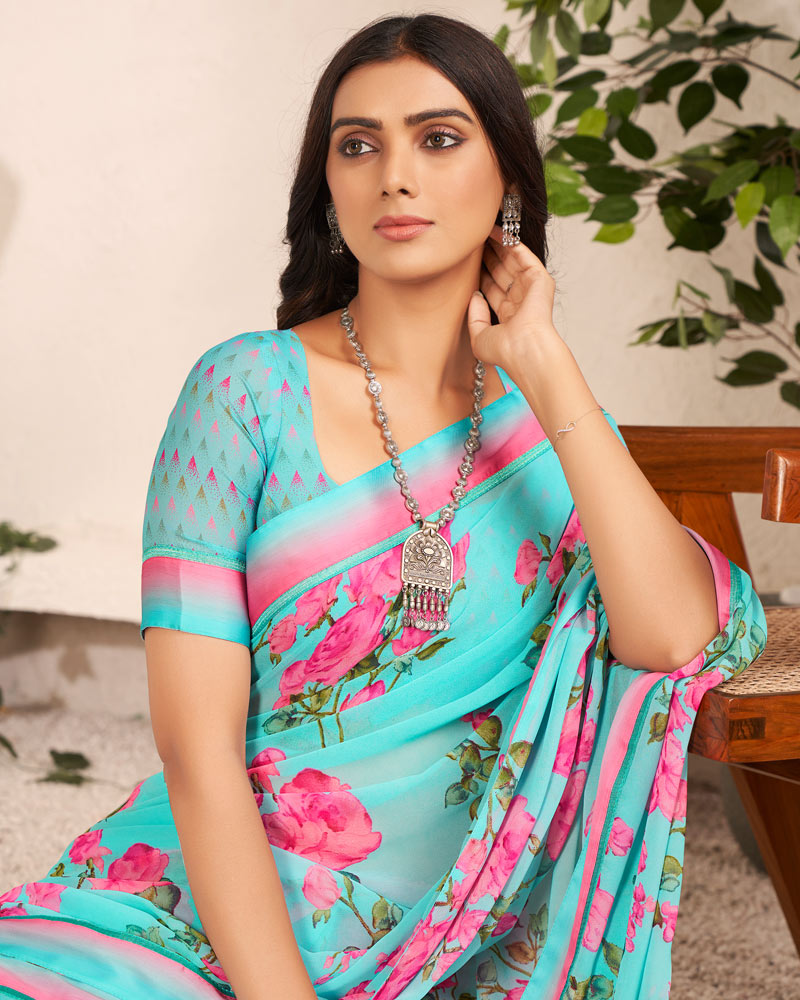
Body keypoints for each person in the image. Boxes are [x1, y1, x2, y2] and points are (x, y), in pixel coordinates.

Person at [0, 12, 767, 1000]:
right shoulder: (243, 396)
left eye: (438, 139)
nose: (394, 175)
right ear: (328, 187)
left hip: (450, 945)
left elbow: (672, 638)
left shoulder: (547, 432)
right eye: (357, 145)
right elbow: (197, 755)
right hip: (213, 916)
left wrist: (542, 362)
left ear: (507, 182)